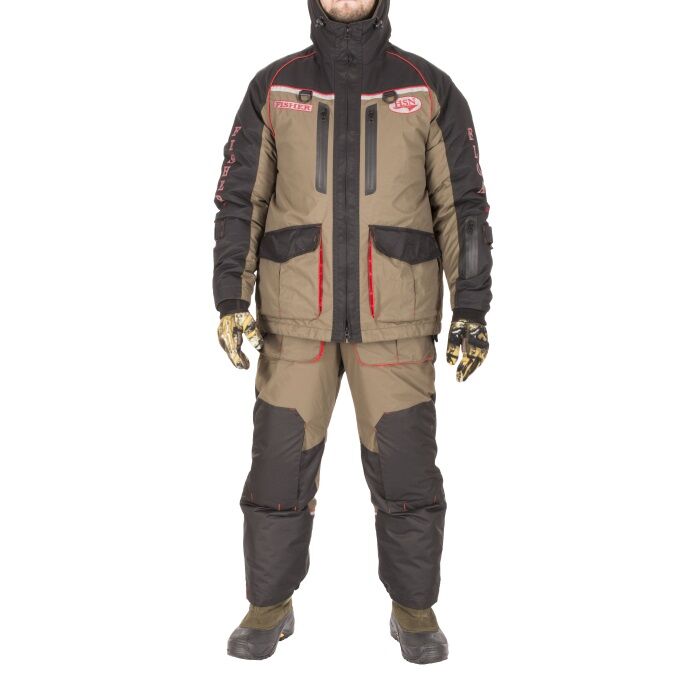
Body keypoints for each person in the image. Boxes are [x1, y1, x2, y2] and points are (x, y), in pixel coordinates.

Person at [213, 0, 492, 664]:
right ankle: (268, 605)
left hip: (395, 315)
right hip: (294, 316)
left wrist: (472, 307)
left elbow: (463, 205)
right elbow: (241, 198)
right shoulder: (273, 87)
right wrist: (230, 297)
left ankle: (414, 610)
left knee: (407, 472)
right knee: (277, 470)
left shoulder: (427, 88)